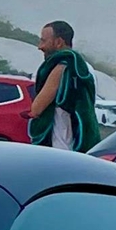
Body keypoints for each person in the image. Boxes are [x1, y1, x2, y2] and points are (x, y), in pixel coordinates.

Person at [28, 20, 100, 151]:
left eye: (44, 41)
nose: (40, 46)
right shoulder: (86, 69)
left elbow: (36, 109)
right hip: (80, 144)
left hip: (61, 147)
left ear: (59, 42)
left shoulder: (62, 67)